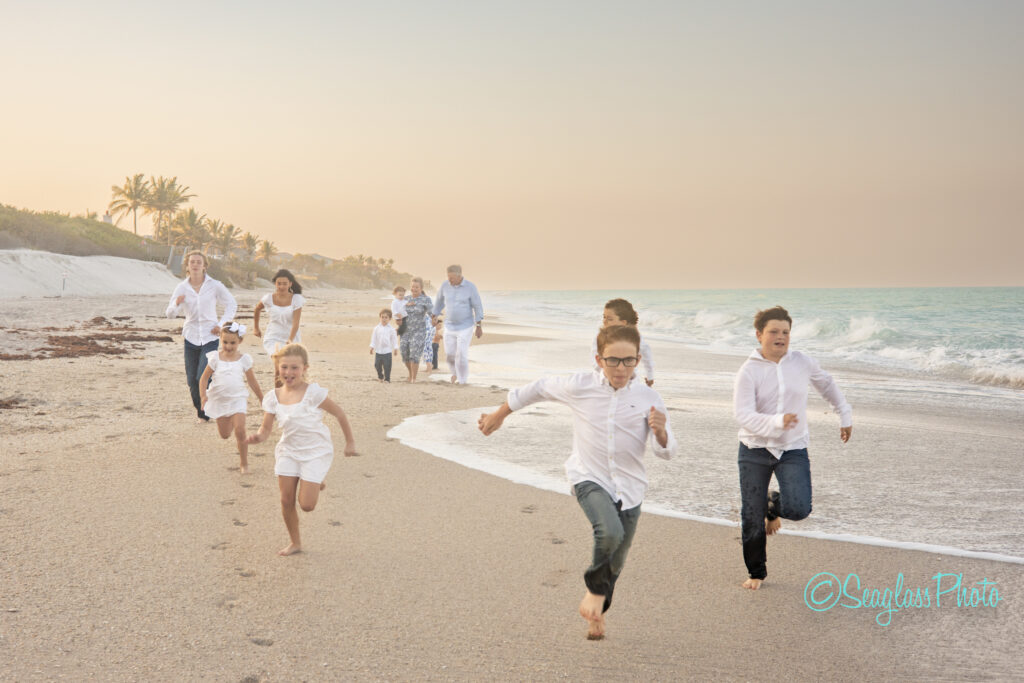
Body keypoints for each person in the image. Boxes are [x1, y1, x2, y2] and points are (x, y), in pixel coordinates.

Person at [478, 325, 676, 640]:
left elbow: (666, 451)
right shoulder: (580, 386)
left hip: (631, 487)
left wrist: (662, 432)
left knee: (617, 559)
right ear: (599, 359)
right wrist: (500, 414)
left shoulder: (648, 397)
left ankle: (596, 615)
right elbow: (538, 388)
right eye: (613, 360)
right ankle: (594, 594)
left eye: (628, 361)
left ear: (638, 360)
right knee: (609, 533)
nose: (621, 368)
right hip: (589, 476)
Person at [733, 306, 853, 590]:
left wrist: (844, 414)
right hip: (754, 448)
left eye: (785, 332)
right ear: (759, 334)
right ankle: (756, 573)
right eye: (774, 332)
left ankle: (772, 505)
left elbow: (826, 384)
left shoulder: (801, 362)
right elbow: (742, 415)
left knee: (799, 508)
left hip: (792, 448)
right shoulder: (748, 371)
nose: (781, 337)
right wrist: (776, 421)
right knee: (751, 515)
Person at [247, 344, 357, 556]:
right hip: (289, 450)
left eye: (294, 368)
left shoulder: (313, 393)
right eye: (284, 367)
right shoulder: (273, 396)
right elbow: (266, 428)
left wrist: (350, 442)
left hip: (315, 451)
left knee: (306, 505)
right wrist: (258, 437)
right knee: (286, 500)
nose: (288, 373)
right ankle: (295, 542)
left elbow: (340, 414)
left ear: (305, 368)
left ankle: (315, 480)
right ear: (277, 368)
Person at [165, 251, 238, 422]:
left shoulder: (215, 285)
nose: (195, 264)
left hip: (210, 337)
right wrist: (176, 304)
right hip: (190, 337)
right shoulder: (181, 287)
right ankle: (202, 412)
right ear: (188, 266)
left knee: (202, 377)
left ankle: (208, 409)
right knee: (191, 380)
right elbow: (169, 314)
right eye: (192, 262)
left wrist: (221, 325)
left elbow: (231, 304)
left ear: (204, 266)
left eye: (199, 262)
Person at [198, 322, 264, 473]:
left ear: (240, 341)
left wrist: (261, 398)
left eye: (232, 343)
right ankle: (230, 421)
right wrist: (203, 396)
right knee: (225, 435)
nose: (228, 346)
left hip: (237, 399)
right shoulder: (215, 358)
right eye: (225, 342)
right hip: (220, 400)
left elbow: (252, 381)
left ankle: (244, 464)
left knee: (240, 430)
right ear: (220, 339)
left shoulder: (243, 359)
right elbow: (203, 379)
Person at [431, 264, 483, 385]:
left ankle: (463, 380)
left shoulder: (470, 287)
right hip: (449, 326)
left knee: (461, 354)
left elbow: (477, 306)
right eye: (448, 277)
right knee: (449, 355)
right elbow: (439, 302)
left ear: (459, 276)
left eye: (452, 278)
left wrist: (479, 326)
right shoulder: (445, 286)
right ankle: (455, 373)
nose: (450, 280)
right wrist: (434, 316)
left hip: (466, 326)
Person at [253, 270, 305, 385]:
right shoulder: (268, 298)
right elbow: (257, 309)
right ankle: (277, 398)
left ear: (290, 284)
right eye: (279, 283)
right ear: (275, 284)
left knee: (292, 371)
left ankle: (291, 394)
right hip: (273, 337)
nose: (281, 286)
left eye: (284, 284)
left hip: (291, 337)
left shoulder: (296, 299)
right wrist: (256, 328)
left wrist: (290, 340)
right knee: (279, 369)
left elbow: (296, 323)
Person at [589, 298, 655, 386]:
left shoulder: (633, 337)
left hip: (628, 380)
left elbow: (647, 355)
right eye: (604, 317)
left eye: (610, 319)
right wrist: (606, 372)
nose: (605, 321)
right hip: (603, 380)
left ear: (623, 322)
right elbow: (594, 356)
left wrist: (650, 376)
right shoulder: (600, 336)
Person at [399, 277, 433, 383]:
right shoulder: (405, 299)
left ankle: (413, 378)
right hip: (405, 331)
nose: (414, 289)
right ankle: (410, 374)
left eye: (417, 287)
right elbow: (398, 312)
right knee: (404, 353)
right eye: (413, 286)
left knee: (414, 354)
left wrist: (435, 320)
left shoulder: (425, 300)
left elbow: (432, 313)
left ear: (421, 288)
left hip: (419, 331)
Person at [370, 309, 399, 382]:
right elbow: (374, 338)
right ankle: (380, 376)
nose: (384, 319)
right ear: (380, 317)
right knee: (377, 365)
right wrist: (372, 347)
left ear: (389, 319)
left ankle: (387, 379)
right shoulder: (376, 328)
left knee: (387, 366)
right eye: (382, 317)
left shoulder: (391, 329)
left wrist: (395, 348)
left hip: (387, 351)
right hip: (378, 351)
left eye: (386, 317)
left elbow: (394, 340)